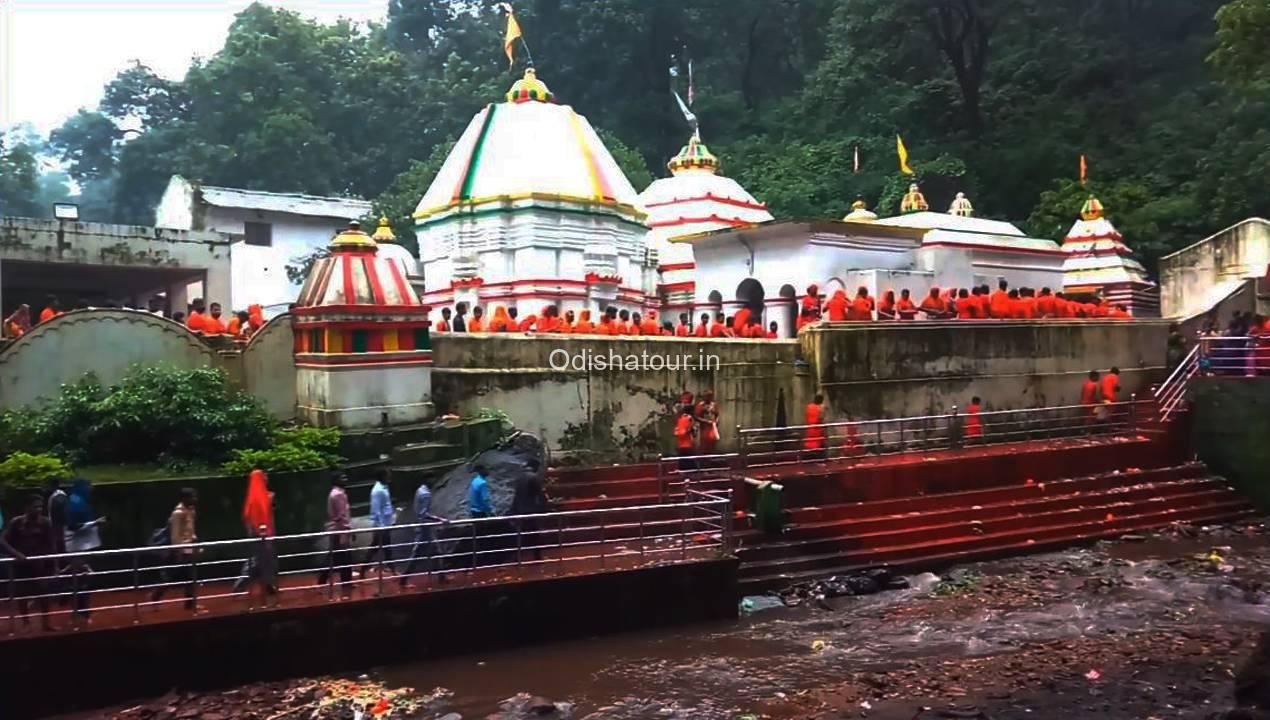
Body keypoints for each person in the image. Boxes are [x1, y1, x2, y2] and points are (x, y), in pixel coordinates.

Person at [3, 494, 56, 631]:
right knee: (22, 594)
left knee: (44, 593)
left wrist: (52, 563)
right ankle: (26, 623)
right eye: (35, 507)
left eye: (40, 507)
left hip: (39, 564)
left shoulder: (46, 523)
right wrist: (16, 554)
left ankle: (46, 622)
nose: (38, 509)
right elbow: (2, 540)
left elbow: (51, 544)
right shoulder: (17, 522)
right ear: (27, 508)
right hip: (22, 565)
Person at [63, 478, 105, 624]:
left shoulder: (80, 501)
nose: (91, 489)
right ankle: (80, 612)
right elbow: (73, 526)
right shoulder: (75, 503)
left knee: (82, 579)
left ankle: (82, 611)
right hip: (77, 546)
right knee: (79, 580)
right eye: (89, 486)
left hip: (83, 546)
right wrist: (95, 522)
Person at [151, 488, 199, 611]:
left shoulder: (191, 510)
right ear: (184, 498)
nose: (194, 499)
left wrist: (194, 541)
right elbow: (175, 535)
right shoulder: (178, 513)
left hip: (188, 547)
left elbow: (189, 529)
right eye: (192, 497)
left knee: (190, 576)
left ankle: (190, 604)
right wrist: (178, 551)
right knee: (170, 576)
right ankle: (155, 596)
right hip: (179, 549)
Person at [238, 470, 278, 608]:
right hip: (258, 534)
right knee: (256, 562)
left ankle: (268, 585)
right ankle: (239, 587)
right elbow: (249, 519)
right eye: (263, 476)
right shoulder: (254, 498)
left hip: (266, 532)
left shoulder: (267, 495)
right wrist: (258, 532)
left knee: (267, 560)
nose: (266, 478)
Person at [400, 480, 448, 589]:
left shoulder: (419, 490)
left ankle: (442, 576)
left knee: (436, 551)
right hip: (425, 528)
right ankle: (404, 579)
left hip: (423, 526)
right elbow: (424, 513)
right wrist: (439, 519)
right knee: (418, 555)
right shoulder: (426, 494)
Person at [317, 474, 353, 597]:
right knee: (339, 557)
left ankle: (346, 582)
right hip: (340, 530)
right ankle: (342, 582)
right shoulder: (338, 495)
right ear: (336, 481)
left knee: (342, 557)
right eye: (342, 478)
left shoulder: (336, 493)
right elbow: (342, 516)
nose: (345, 479)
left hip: (338, 529)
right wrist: (347, 530)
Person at [363, 469, 397, 580]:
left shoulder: (384, 488)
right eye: (387, 475)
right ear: (382, 476)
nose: (390, 477)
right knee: (376, 548)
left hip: (385, 524)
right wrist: (381, 526)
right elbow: (375, 510)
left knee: (385, 548)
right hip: (381, 526)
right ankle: (363, 570)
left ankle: (392, 570)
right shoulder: (377, 490)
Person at [695, 390, 720, 456]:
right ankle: (703, 459)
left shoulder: (714, 405)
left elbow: (717, 415)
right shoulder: (700, 405)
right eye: (707, 396)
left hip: (712, 427)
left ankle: (711, 457)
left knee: (712, 443)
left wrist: (716, 421)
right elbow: (696, 417)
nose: (708, 398)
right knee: (703, 444)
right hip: (704, 428)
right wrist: (706, 421)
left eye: (710, 396)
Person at [674, 405, 697, 471]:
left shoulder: (680, 418)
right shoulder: (690, 418)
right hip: (688, 441)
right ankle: (691, 471)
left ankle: (681, 469)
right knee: (689, 458)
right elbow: (692, 429)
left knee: (682, 457)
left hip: (680, 441)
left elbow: (677, 430)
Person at [803, 394, 826, 459]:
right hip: (817, 428)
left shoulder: (809, 406)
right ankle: (819, 458)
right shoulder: (820, 408)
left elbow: (806, 416)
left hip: (810, 427)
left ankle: (809, 458)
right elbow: (821, 418)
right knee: (818, 444)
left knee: (810, 443)